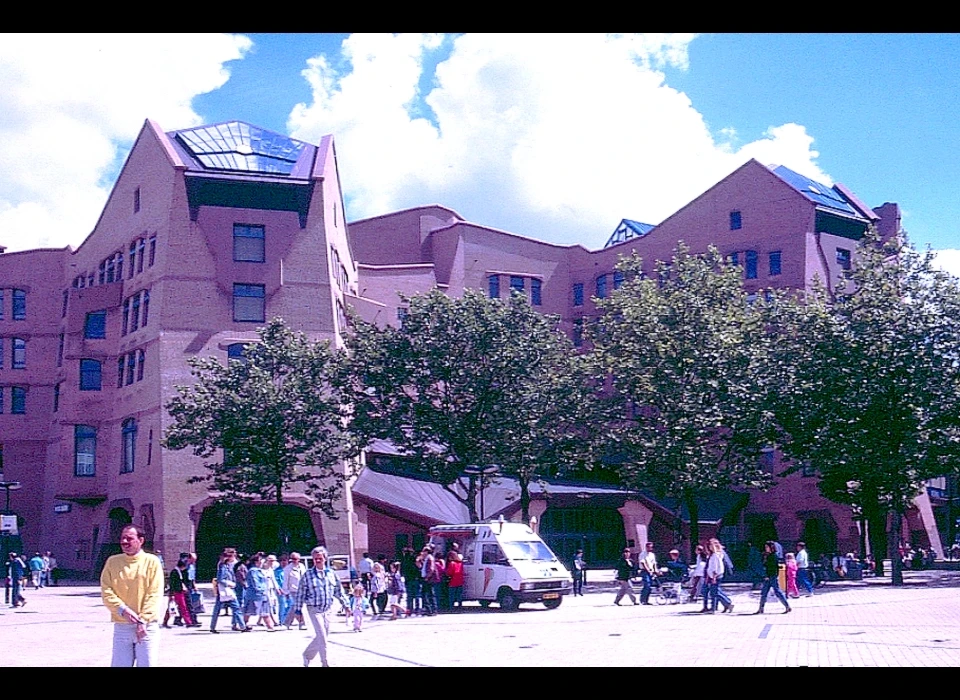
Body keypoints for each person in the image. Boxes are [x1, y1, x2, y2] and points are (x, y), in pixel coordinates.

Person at [100, 524, 165, 666]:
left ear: (140, 540)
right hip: (122, 626)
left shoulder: (152, 561)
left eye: (129, 538)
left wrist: (143, 620)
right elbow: (106, 591)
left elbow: (154, 593)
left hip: (146, 627)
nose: (124, 542)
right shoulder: (112, 562)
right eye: (123, 538)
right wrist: (122, 609)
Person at [295, 545, 348, 667]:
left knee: (323, 636)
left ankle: (307, 655)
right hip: (314, 609)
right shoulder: (307, 575)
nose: (317, 561)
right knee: (322, 636)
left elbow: (338, 591)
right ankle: (325, 663)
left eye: (320, 558)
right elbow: (300, 594)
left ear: (325, 558)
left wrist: (346, 605)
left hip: (327, 609)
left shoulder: (331, 574)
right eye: (315, 559)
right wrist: (297, 611)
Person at [210, 548, 249, 633]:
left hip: (227, 591)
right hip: (225, 590)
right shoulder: (222, 566)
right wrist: (230, 584)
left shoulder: (226, 565)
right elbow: (220, 579)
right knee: (235, 608)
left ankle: (213, 627)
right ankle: (242, 626)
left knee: (230, 608)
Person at [754, 541, 791, 614]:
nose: (766, 549)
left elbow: (773, 567)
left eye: (767, 547)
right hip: (767, 576)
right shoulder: (767, 555)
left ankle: (787, 606)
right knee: (764, 593)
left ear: (771, 547)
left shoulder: (774, 556)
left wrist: (768, 575)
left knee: (777, 592)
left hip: (772, 576)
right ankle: (761, 608)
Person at [163, 554, 199, 628]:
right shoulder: (175, 572)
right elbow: (172, 584)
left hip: (181, 591)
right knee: (176, 607)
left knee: (179, 607)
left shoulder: (180, 571)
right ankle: (188, 622)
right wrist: (172, 594)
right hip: (176, 592)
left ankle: (188, 621)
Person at [704, 538, 733, 613]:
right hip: (711, 576)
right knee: (715, 592)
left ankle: (726, 603)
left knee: (714, 592)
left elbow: (716, 567)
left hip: (716, 576)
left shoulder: (716, 555)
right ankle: (726, 604)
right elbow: (709, 567)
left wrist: (714, 577)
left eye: (711, 546)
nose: (709, 547)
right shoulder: (712, 555)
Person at [282, 552, 307, 630]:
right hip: (293, 590)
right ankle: (301, 622)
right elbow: (285, 581)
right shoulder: (287, 569)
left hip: (303, 590)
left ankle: (287, 622)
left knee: (297, 607)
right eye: (292, 559)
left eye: (295, 559)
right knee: (296, 606)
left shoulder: (302, 567)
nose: (294, 561)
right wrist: (286, 592)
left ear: (299, 559)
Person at [400, 546, 421, 617]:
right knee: (417, 595)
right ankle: (417, 610)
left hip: (408, 579)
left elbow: (402, 571)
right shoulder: (415, 559)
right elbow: (419, 568)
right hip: (415, 579)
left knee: (409, 596)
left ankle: (410, 610)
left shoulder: (404, 560)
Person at [420, 545, 438, 616]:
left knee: (428, 594)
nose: (422, 552)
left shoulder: (430, 558)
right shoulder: (427, 558)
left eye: (424, 551)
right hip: (427, 578)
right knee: (426, 594)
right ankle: (429, 609)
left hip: (429, 579)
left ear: (427, 551)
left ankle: (431, 610)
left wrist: (427, 577)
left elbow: (431, 569)